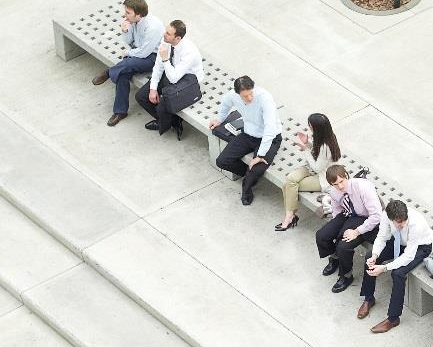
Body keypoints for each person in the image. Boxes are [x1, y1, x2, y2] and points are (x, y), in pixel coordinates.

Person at [357, 200, 433, 334]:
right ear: (390, 218)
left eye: (404, 221)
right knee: (370, 256)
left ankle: (393, 318)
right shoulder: (386, 216)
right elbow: (382, 237)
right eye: (398, 222)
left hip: (420, 247)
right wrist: (375, 256)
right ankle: (369, 298)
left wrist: (384, 268)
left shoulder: (416, 224)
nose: (402, 224)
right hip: (399, 241)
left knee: (398, 273)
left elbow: (408, 256)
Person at [209, 76, 283, 204]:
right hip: (248, 134)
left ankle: (247, 187)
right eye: (245, 96)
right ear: (238, 94)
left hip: (270, 138)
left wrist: (260, 155)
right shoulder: (232, 95)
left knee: (257, 168)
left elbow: (270, 129)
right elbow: (225, 104)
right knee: (222, 161)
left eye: (250, 94)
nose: (249, 98)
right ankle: (249, 175)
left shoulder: (265, 98)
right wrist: (219, 118)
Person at [93, 0, 164, 127]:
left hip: (154, 58)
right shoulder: (132, 21)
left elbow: (144, 53)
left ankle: (108, 73)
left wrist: (129, 53)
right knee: (122, 73)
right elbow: (129, 41)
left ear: (138, 14)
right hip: (139, 53)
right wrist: (125, 30)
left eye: (128, 12)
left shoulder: (153, 27)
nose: (124, 15)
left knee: (128, 63)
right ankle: (120, 111)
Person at [315, 165, 385, 293]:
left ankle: (346, 276)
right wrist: (336, 227)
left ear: (346, 176)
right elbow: (337, 209)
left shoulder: (363, 187)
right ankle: (335, 258)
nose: (340, 186)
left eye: (342, 181)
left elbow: (377, 216)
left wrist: (357, 231)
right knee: (322, 235)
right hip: (348, 215)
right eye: (335, 184)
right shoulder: (334, 191)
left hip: (366, 218)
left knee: (343, 246)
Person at [134, 20, 203, 140]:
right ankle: (168, 121)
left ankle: (168, 121)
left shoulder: (189, 51)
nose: (164, 34)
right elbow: (158, 67)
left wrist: (166, 59)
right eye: (166, 31)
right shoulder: (166, 41)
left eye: (168, 33)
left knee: (163, 104)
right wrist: (153, 88)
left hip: (188, 79)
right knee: (141, 96)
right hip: (171, 71)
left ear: (177, 38)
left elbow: (174, 78)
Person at [276, 114, 340, 232]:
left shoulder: (326, 145)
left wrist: (305, 149)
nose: (309, 127)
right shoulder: (320, 136)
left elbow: (317, 168)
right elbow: (316, 154)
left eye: (310, 125)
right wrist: (308, 143)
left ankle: (289, 217)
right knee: (290, 180)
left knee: (289, 185)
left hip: (323, 176)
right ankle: (291, 216)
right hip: (310, 168)